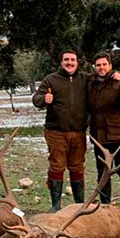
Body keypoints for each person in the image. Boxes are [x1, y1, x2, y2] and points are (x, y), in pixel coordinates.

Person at [32, 50, 89, 212]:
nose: (69, 63)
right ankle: (56, 205)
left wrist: (115, 75)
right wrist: (44, 99)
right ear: (61, 62)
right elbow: (36, 98)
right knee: (57, 166)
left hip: (79, 132)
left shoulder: (85, 79)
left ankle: (79, 205)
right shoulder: (50, 80)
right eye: (66, 60)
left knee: (77, 166)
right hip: (56, 132)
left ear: (77, 62)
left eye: (72, 60)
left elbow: (102, 78)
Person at [87, 52, 120, 220]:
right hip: (99, 137)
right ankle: (105, 207)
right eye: (98, 65)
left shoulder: (119, 83)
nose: (101, 68)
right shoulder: (90, 83)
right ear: (94, 67)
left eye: (104, 64)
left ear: (110, 66)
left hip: (119, 135)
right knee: (103, 172)